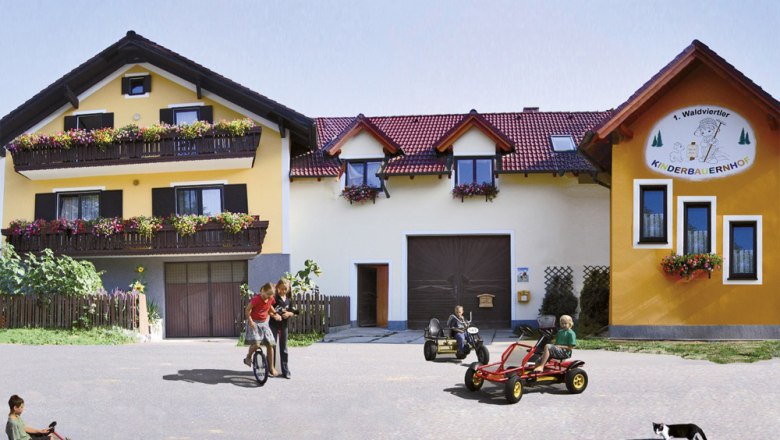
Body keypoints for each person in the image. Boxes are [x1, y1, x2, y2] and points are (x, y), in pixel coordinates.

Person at [244, 282, 282, 377]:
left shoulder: (270, 298)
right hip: (254, 323)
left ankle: (271, 368)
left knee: (270, 344)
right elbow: (247, 310)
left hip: (264, 323)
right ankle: (248, 357)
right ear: (263, 291)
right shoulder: (257, 299)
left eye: (271, 295)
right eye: (268, 294)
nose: (269, 297)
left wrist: (275, 314)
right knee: (257, 344)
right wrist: (251, 322)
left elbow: (269, 307)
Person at [270, 278, 295, 379]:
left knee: (284, 348)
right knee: (272, 347)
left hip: (284, 326)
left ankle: (285, 370)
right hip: (273, 325)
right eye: (281, 289)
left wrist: (289, 313)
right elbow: (269, 310)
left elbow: (294, 311)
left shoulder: (289, 299)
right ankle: (271, 369)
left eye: (285, 289)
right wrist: (275, 316)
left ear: (288, 289)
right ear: (277, 288)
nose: (283, 291)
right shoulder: (274, 299)